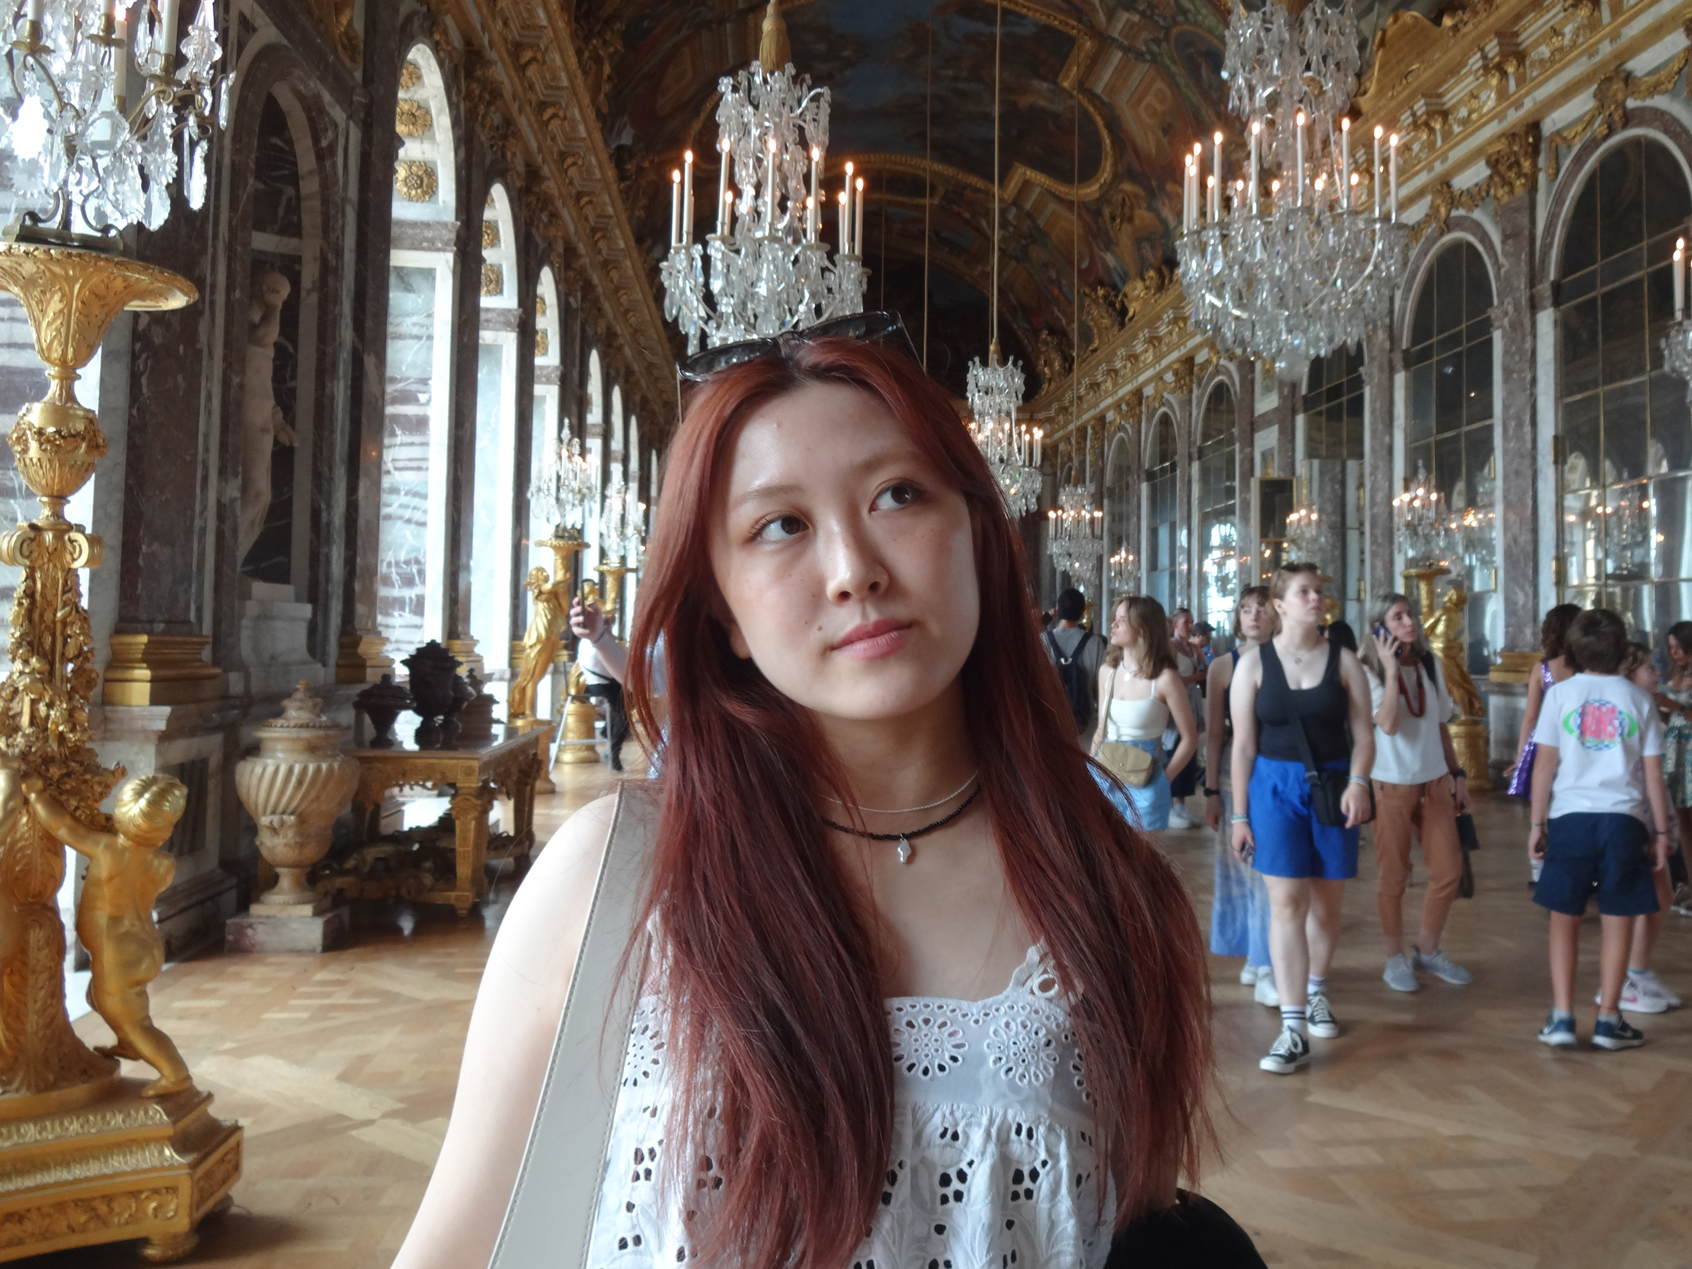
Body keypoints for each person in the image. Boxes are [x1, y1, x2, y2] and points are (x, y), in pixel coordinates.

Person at [395, 330, 1234, 1267]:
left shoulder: (1109, 892)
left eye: (898, 494)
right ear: (724, 613)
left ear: (977, 531)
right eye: (780, 525)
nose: (853, 569)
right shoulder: (610, 876)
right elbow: (450, 1249)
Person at [1230, 563, 1375, 1076]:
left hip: (1332, 788)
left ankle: (1316, 991)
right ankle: (1293, 1029)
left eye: (1319, 591)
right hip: (1273, 787)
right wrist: (1239, 814)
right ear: (1281, 604)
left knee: (1325, 906)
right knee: (1287, 902)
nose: (1316, 598)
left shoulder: (1344, 660)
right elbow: (1242, 746)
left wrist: (1359, 782)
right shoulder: (1253, 664)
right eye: (1304, 592)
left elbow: (1364, 735)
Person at [1528, 609, 1669, 1051]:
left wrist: (1537, 823)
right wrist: (1662, 832)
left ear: (1573, 650)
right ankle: (1608, 1018)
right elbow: (1652, 775)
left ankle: (1562, 1016)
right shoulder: (1640, 699)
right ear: (1624, 649)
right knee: (1617, 918)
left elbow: (1544, 766)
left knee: (1563, 918)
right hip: (1624, 820)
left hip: (1570, 818)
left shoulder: (1560, 695)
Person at [26, 774, 193, 1098]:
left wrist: (36, 796)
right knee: (98, 998)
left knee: (131, 1019)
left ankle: (175, 1073)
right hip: (144, 945)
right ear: (166, 829)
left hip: (117, 950)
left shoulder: (107, 850)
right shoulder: (163, 863)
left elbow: (62, 827)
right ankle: (129, 1044)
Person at [1360, 593, 1474, 994]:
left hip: (1435, 782)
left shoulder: (1429, 663)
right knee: (1394, 875)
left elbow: (1439, 724)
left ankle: (1427, 949)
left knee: (1448, 871)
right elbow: (1389, 724)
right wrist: (1391, 671)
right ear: (1379, 627)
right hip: (1390, 784)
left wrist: (1458, 774)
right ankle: (1394, 957)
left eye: (1410, 614)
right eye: (1398, 617)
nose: (1410, 622)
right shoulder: (1366, 670)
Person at [1204, 586, 1276, 1005]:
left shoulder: (1286, 659)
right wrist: (1211, 789)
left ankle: (1266, 957)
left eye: (1261, 609)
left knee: (1269, 866)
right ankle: (1252, 949)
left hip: (1276, 766)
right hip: (1235, 771)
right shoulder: (1222, 667)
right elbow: (1215, 733)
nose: (1253, 616)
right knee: (1239, 864)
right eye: (1246, 609)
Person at [1090, 595, 1198, 835]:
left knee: (1140, 856)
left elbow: (1190, 738)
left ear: (1143, 628)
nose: (1113, 624)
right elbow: (1101, 729)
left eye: (1122, 620)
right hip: (1104, 775)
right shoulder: (1107, 671)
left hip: (1146, 780)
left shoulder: (1165, 678)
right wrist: (1089, 770)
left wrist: (1163, 781)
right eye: (1115, 618)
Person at [1617, 642, 1683, 1014]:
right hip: (1639, 813)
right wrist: (1660, 827)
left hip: (1650, 811)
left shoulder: (1643, 705)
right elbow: (1647, 774)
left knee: (1662, 896)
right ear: (1629, 673)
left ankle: (1638, 972)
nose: (1656, 673)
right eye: (1648, 668)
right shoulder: (1634, 706)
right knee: (1647, 897)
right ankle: (1625, 981)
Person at [1509, 604, 1581, 881]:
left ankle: (1539, 868)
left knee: (1543, 807)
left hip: (1543, 745)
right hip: (1576, 742)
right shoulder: (1587, 668)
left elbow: (1530, 717)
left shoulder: (1543, 669)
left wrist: (1520, 759)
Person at [1654, 621, 1692, 915]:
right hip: (1677, 752)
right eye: (1671, 647)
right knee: (1684, 826)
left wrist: (1674, 705)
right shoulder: (1680, 676)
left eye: (1679, 646)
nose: (1675, 652)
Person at [569, 595, 630, 771]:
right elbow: (615, 670)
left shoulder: (584, 641)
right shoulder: (597, 644)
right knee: (625, 713)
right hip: (603, 684)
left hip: (594, 684)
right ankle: (614, 750)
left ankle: (607, 731)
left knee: (624, 704)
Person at [1043, 586, 1103, 743]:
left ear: (1057, 610)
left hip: (1050, 724)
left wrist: (1044, 620)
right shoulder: (1095, 642)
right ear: (1083, 612)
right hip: (1086, 726)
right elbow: (1101, 687)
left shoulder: (1042, 641)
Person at [1168, 608, 1205, 827]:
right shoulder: (1170, 647)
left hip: (1193, 701)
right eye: (1186, 622)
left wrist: (1202, 661)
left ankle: (1181, 803)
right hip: (1177, 703)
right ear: (1175, 624)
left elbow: (1203, 670)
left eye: (1191, 622)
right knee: (1175, 750)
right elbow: (1170, 678)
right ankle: (1172, 803)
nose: (1190, 626)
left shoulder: (1193, 647)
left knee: (1190, 752)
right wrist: (1194, 677)